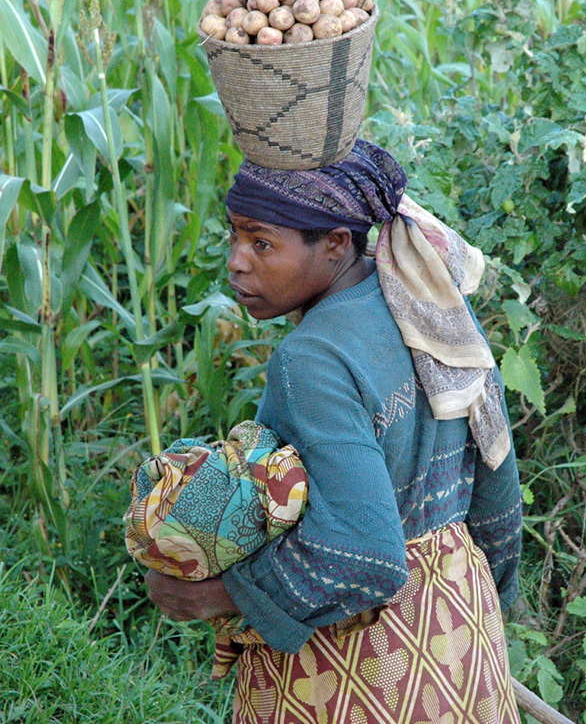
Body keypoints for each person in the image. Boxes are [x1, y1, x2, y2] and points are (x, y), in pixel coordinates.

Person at [145, 140, 523, 724]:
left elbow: (365, 558)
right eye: (235, 236)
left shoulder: (312, 358)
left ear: (336, 244)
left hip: (362, 663)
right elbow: (497, 477)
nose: (237, 261)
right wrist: (486, 609)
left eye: (262, 243)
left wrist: (219, 595)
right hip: (459, 631)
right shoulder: (426, 293)